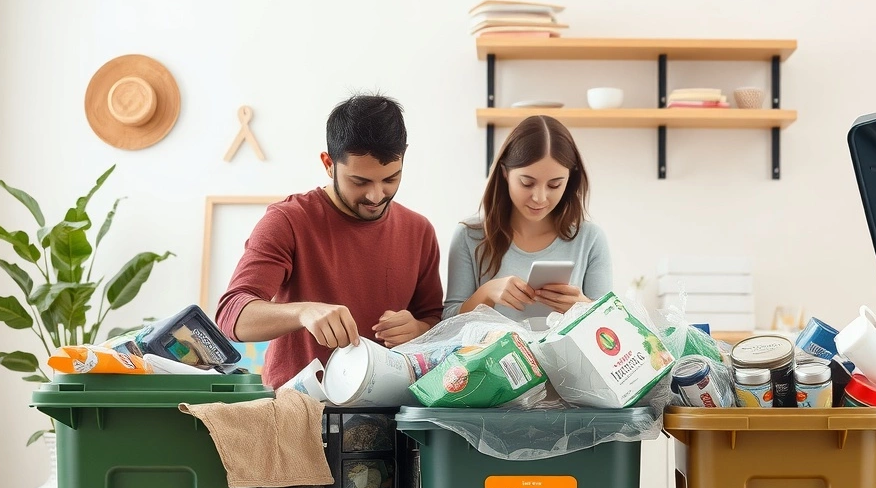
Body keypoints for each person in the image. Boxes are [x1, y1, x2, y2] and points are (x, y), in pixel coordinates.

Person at [215, 94, 444, 388]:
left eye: (390, 179)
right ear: (328, 164)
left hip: (390, 414)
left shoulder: (419, 230)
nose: (376, 196)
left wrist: (417, 329)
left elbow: (435, 322)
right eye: (359, 182)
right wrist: (303, 311)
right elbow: (232, 314)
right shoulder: (288, 221)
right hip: (300, 414)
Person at [443, 115, 612, 325]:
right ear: (505, 173)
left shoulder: (590, 238)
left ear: (570, 180)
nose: (539, 197)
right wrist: (486, 294)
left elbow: (611, 331)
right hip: (494, 358)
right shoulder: (470, 235)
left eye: (554, 185)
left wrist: (583, 308)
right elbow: (445, 325)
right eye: (527, 183)